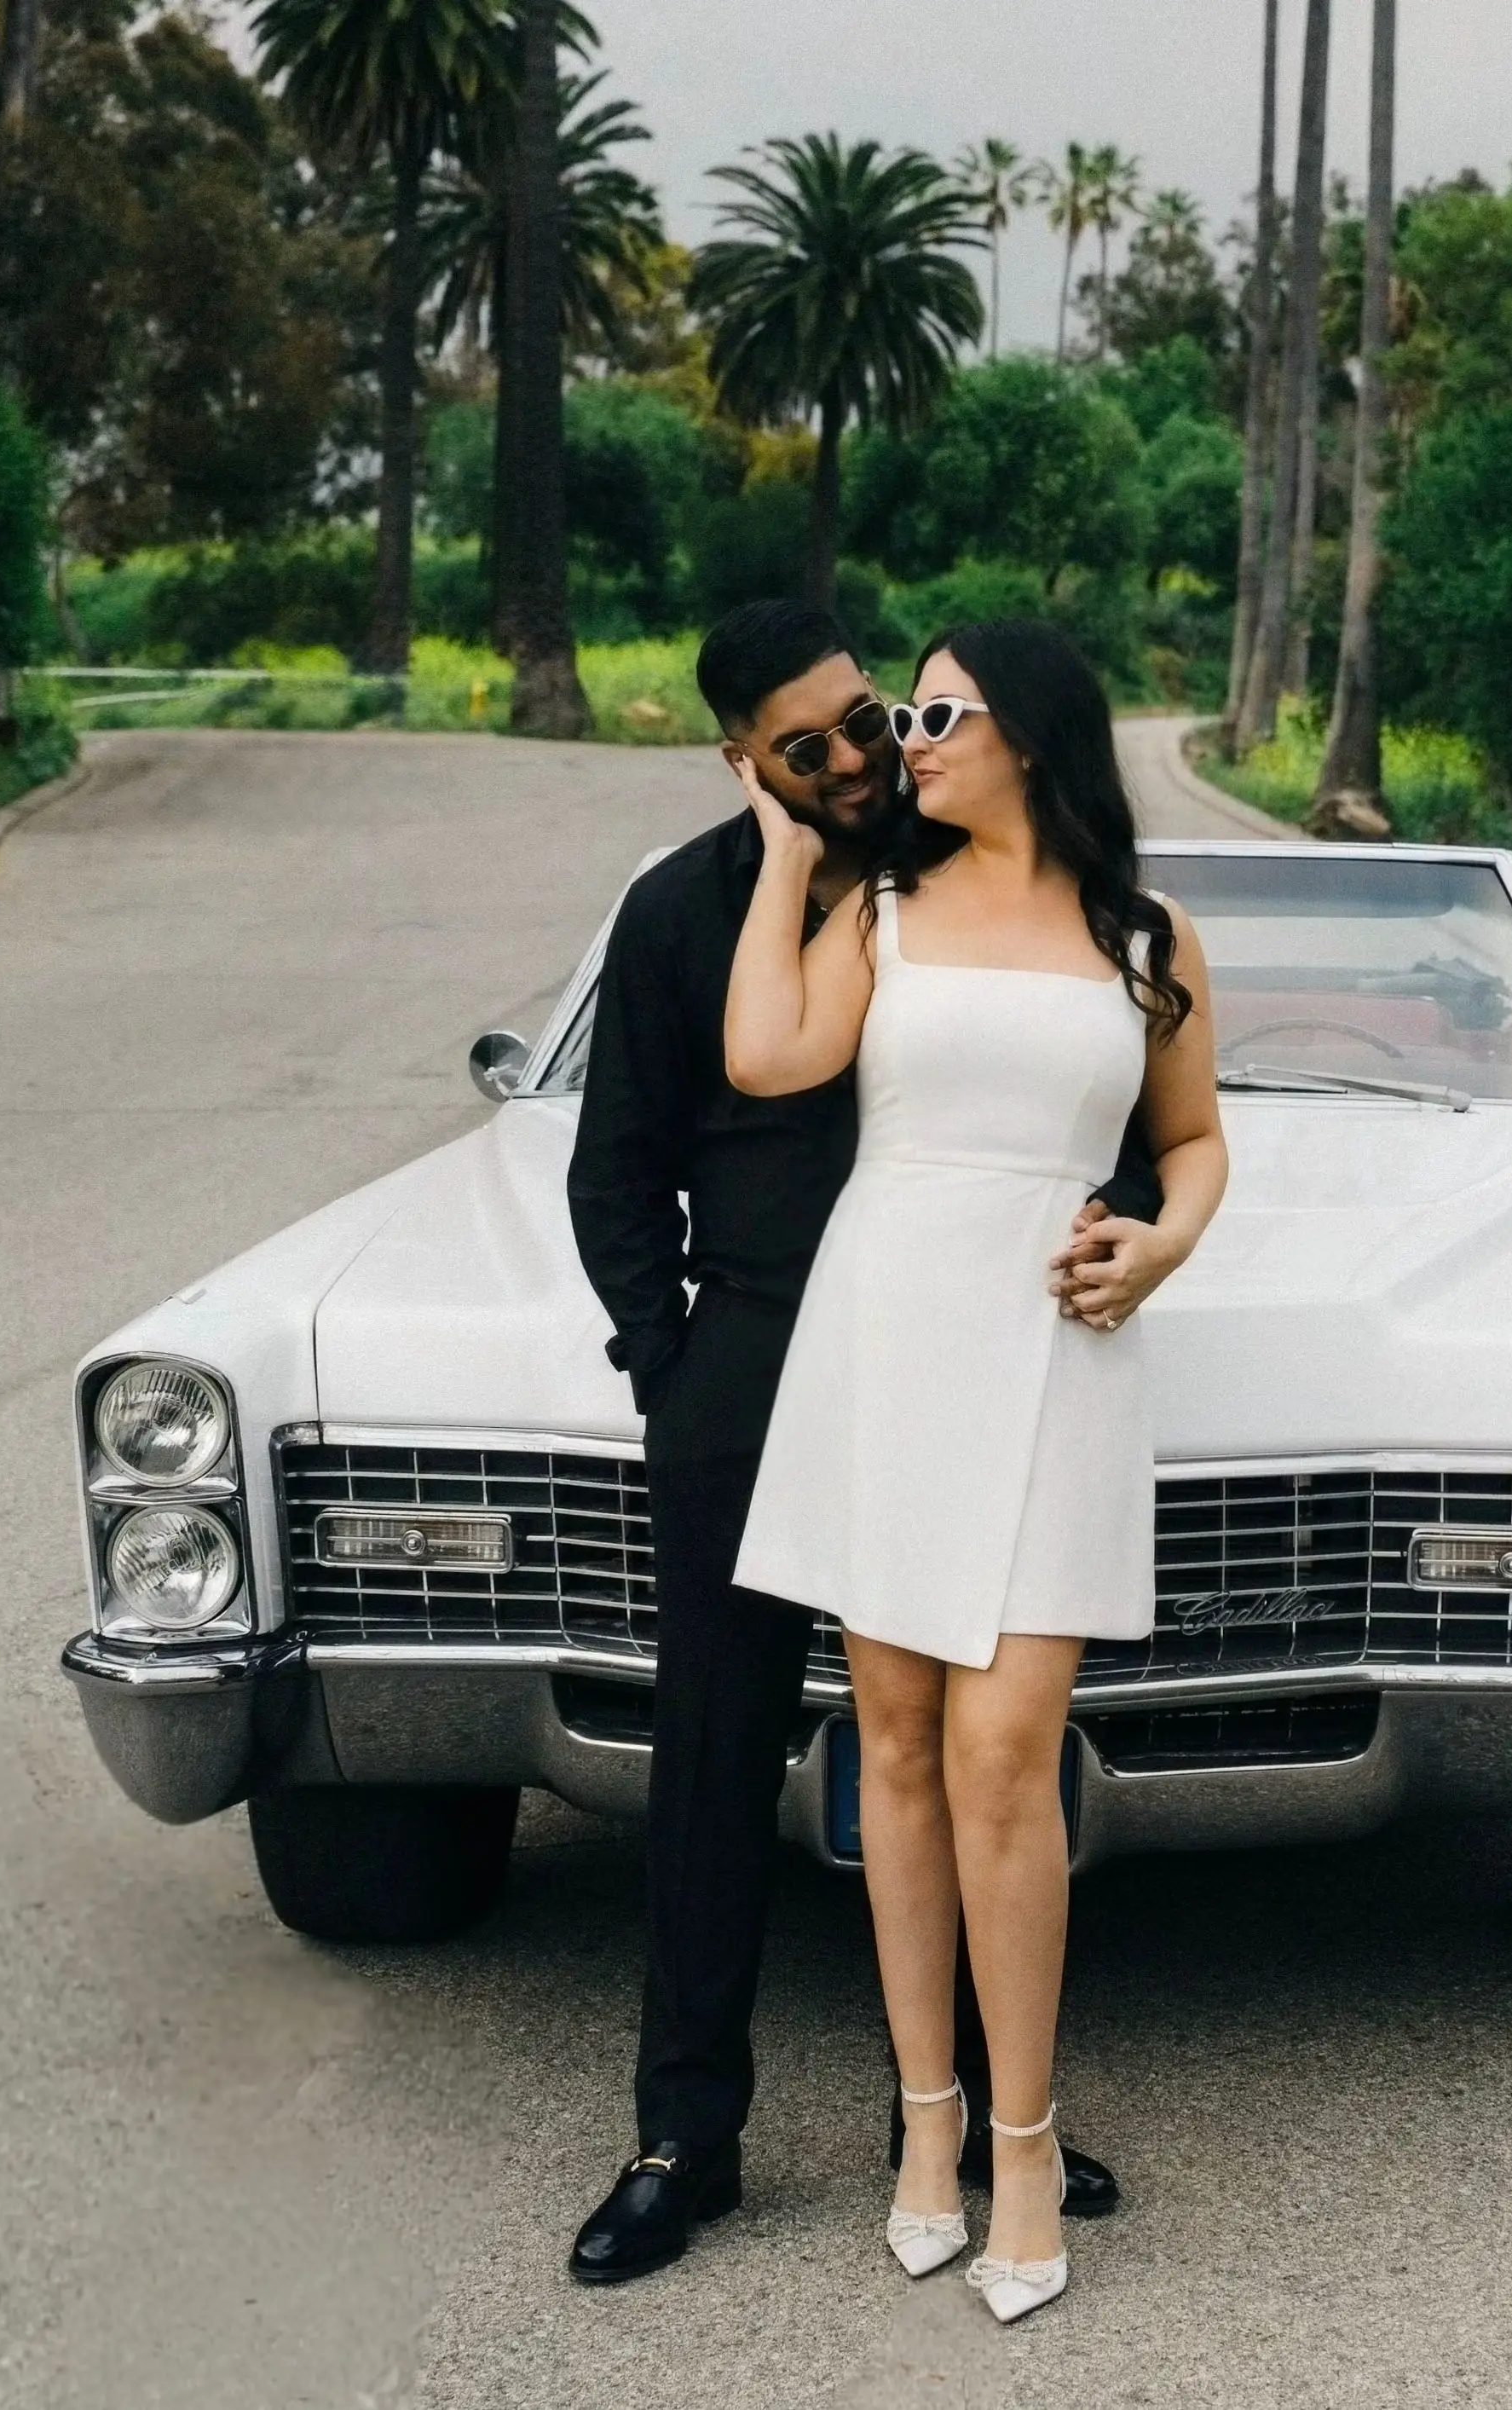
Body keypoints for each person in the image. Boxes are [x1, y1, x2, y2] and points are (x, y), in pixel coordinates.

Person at [561, 601, 1147, 2286]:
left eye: (868, 720)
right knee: (717, 1754)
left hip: (965, 1355)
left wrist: (1136, 1232)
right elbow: (613, 1170)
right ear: (745, 761)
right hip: (753, 1363)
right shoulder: (679, 910)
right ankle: (687, 2139)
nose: (855, 759)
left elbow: (1117, 1095)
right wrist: (673, 1367)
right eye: (803, 746)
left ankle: (967, 2119)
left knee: (977, 1758)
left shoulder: (974, 866)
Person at [723, 619, 1230, 2322]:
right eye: (903, 713)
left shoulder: (1145, 935)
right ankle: (923, 2128)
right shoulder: (878, 909)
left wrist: (1160, 1251)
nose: (902, 738)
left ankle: (1026, 2138)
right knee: (895, 1745)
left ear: (1027, 732)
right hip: (888, 1342)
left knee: (1008, 1750)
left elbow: (1195, 1142)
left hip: (1055, 1352)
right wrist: (786, 856)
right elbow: (768, 1054)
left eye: (934, 712)